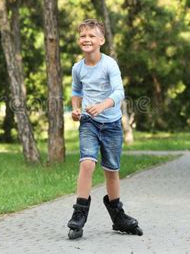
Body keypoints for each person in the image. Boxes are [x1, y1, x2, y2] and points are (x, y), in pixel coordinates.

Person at [66, 19, 143, 239]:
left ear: (101, 40)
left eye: (91, 36)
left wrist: (102, 105)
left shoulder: (109, 64)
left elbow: (119, 92)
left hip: (111, 125)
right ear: (79, 40)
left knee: (111, 171)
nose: (87, 39)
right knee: (88, 163)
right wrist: (75, 109)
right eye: (83, 36)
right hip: (89, 122)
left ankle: (118, 216)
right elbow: (76, 90)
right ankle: (79, 213)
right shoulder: (78, 68)